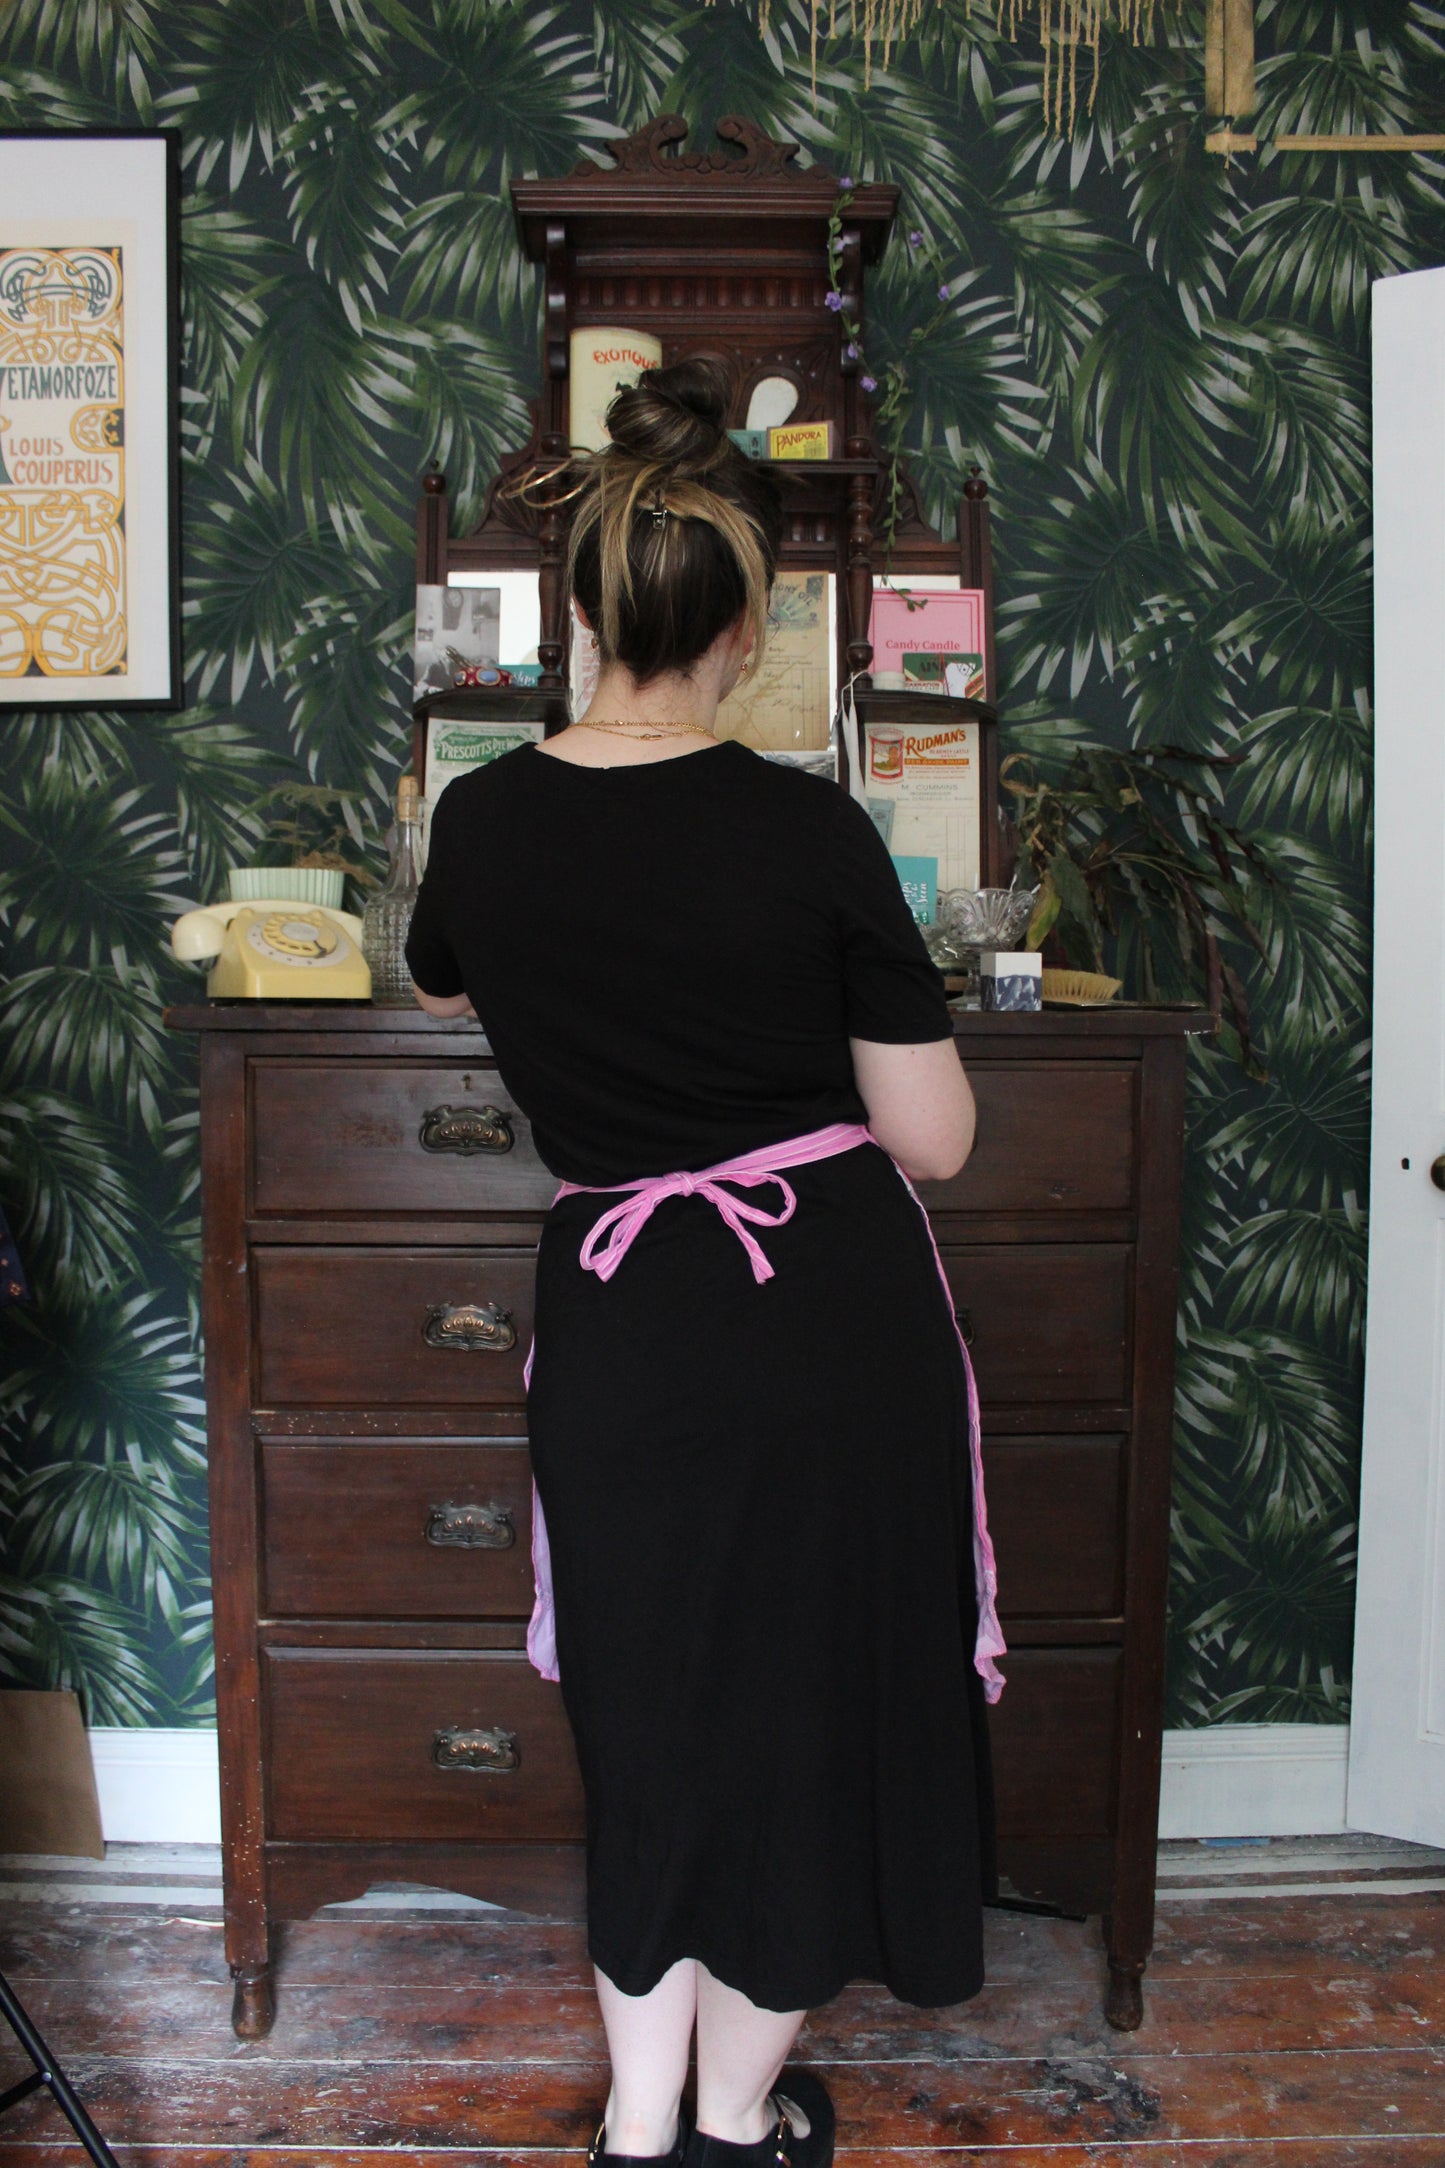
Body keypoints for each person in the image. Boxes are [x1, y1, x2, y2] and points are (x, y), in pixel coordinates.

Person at [405, 355, 1002, 2168]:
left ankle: (643, 2117)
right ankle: (739, 2117)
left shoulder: (479, 819)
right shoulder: (807, 829)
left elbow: (437, 981)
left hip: (622, 1321)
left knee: (650, 1713)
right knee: (797, 1726)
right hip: (818, 1318)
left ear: (584, 612)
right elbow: (932, 1141)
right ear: (747, 627)